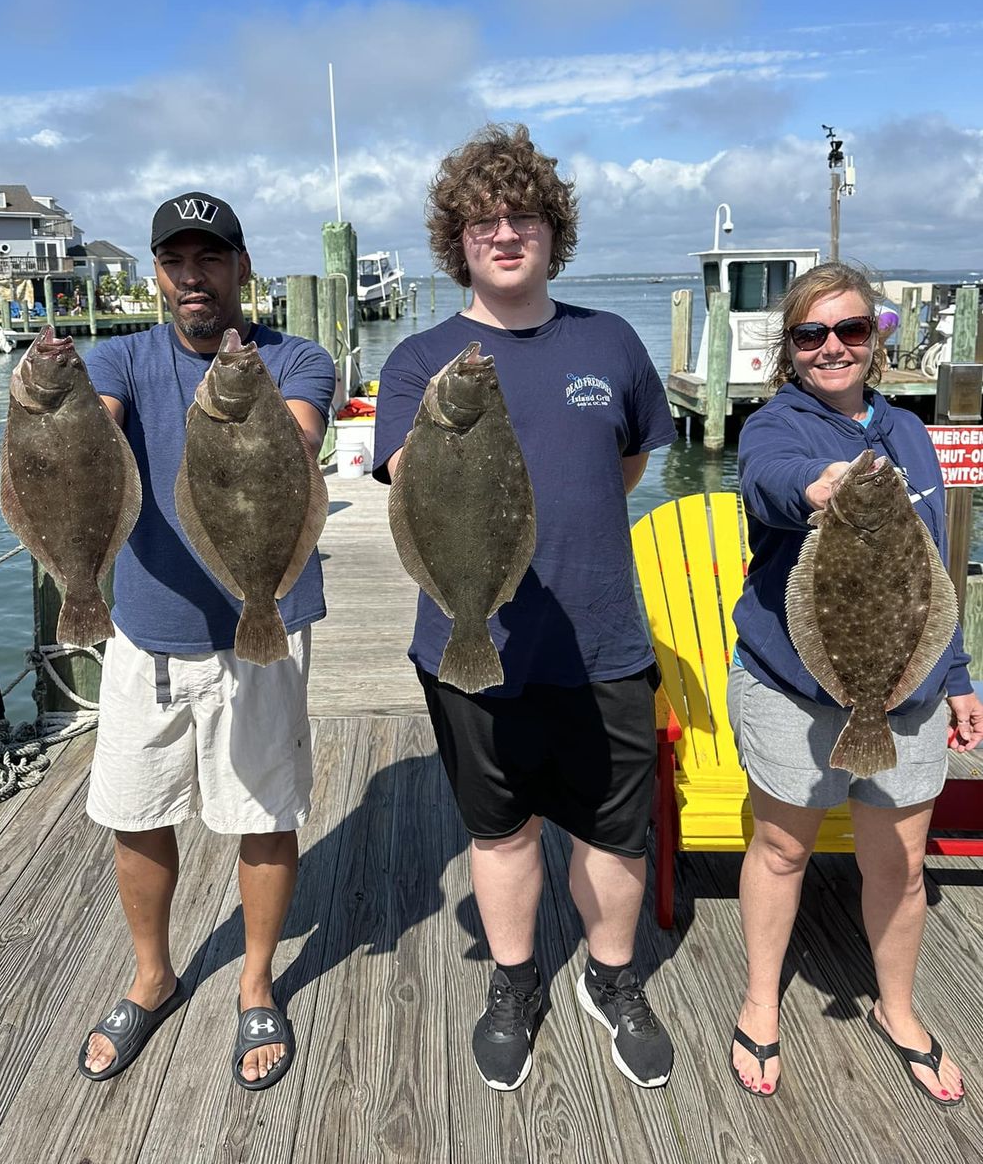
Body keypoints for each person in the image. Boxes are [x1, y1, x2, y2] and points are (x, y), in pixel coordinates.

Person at [373, 124, 678, 1093]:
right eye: (482, 222)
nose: (505, 234)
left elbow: (624, 465)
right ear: (455, 241)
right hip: (472, 643)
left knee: (614, 832)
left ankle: (612, 977)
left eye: (524, 217)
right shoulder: (419, 360)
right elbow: (408, 487)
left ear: (555, 231)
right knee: (498, 832)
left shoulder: (612, 342)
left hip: (606, 642)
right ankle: (515, 982)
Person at [78, 192, 335, 1090]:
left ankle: (257, 982)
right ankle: (153, 974)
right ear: (157, 274)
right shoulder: (119, 356)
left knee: (263, 812)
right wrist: (67, 422)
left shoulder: (295, 358)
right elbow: (95, 422)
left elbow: (301, 438)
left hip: (263, 624)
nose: (195, 277)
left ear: (241, 269)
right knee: (136, 808)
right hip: (149, 628)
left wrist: (246, 396)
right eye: (177, 262)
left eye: (212, 260)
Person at [727, 261, 982, 1104]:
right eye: (811, 334)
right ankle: (761, 1003)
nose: (832, 347)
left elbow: (933, 572)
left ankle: (897, 1010)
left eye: (851, 330)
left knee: (902, 865)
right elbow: (764, 479)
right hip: (794, 686)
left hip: (902, 689)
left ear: (877, 340)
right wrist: (817, 485)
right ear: (790, 348)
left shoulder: (907, 432)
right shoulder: (776, 427)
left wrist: (957, 676)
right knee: (784, 846)